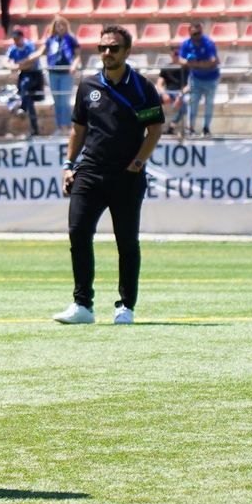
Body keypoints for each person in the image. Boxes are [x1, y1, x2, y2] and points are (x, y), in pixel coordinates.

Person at [54, 25, 165, 325]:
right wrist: (68, 164)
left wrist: (138, 163)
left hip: (126, 176)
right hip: (89, 172)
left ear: (127, 52)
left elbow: (154, 129)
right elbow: (79, 129)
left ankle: (125, 306)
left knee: (126, 242)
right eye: (103, 47)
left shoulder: (142, 88)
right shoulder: (88, 86)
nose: (107, 53)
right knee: (78, 233)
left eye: (114, 48)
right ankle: (82, 306)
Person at [174, 22, 219, 137]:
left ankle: (206, 128)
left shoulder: (208, 43)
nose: (196, 36)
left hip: (211, 78)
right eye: (194, 34)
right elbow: (181, 59)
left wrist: (197, 64)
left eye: (199, 33)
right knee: (192, 102)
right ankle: (190, 127)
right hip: (195, 78)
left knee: (209, 103)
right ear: (190, 33)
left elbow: (213, 61)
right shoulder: (186, 44)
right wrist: (190, 63)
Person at [7, 25, 45, 135]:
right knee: (29, 99)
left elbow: (32, 61)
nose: (16, 41)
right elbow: (5, 61)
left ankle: (22, 108)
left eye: (17, 39)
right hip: (23, 74)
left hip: (34, 75)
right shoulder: (13, 48)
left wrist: (19, 65)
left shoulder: (29, 46)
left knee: (25, 85)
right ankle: (34, 129)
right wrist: (13, 66)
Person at [43, 16, 79, 131]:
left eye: (63, 25)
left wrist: (73, 66)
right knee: (57, 101)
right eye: (59, 25)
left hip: (66, 72)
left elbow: (77, 55)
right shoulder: (51, 39)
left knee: (65, 101)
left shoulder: (71, 39)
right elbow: (41, 52)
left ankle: (68, 126)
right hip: (53, 72)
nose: (61, 27)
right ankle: (60, 126)